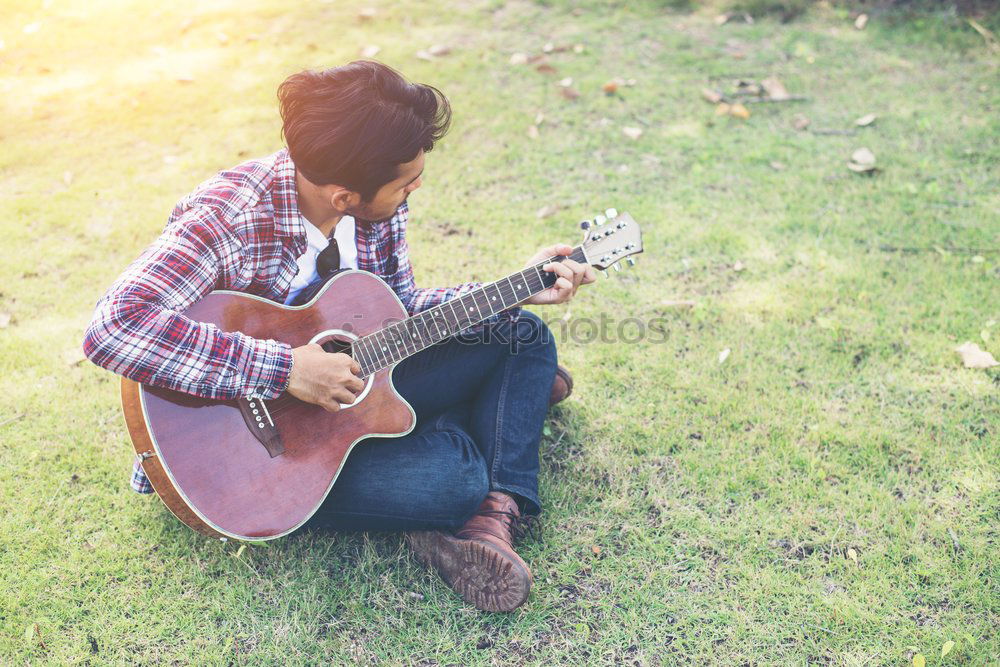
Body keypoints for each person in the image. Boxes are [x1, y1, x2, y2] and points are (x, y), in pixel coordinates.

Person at [83, 60, 595, 612]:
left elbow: (395, 312)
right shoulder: (229, 218)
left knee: (522, 334)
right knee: (455, 476)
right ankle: (486, 435)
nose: (415, 187)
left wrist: (515, 285)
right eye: (406, 182)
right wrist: (287, 369)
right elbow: (114, 325)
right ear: (345, 195)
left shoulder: (376, 208)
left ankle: (493, 515)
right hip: (255, 457)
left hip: (353, 395)